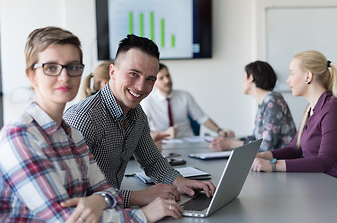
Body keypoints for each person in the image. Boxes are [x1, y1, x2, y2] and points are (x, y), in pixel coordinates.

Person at [0, 27, 184, 223]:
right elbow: (68, 221)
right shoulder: (19, 138)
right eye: (51, 68)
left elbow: (106, 191)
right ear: (31, 75)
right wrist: (144, 215)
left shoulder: (71, 134)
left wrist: (102, 200)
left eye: (73, 67)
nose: (64, 77)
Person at [63, 34, 215, 208]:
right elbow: (76, 194)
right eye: (134, 74)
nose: (141, 87)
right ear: (113, 72)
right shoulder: (83, 118)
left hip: (112, 209)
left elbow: (152, 162)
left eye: (150, 79)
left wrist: (180, 181)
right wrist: (136, 197)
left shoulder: (136, 114)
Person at [251, 50, 337, 178]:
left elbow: (324, 162)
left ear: (308, 76)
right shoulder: (310, 108)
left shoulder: (332, 108)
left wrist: (272, 165)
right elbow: (295, 149)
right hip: (316, 184)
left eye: (292, 73)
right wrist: (261, 156)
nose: (287, 79)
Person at [209, 61, 296, 152]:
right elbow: (256, 139)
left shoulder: (272, 101)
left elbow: (267, 146)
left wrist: (231, 144)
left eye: (243, 77)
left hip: (278, 162)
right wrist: (227, 141)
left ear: (250, 78)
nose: (242, 81)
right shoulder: (266, 102)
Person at [141, 63, 234, 138]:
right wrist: (164, 134)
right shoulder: (147, 101)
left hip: (187, 140)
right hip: (163, 143)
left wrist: (219, 130)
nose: (167, 81)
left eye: (168, 76)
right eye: (161, 78)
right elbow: (141, 131)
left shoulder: (184, 96)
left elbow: (202, 118)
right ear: (154, 82)